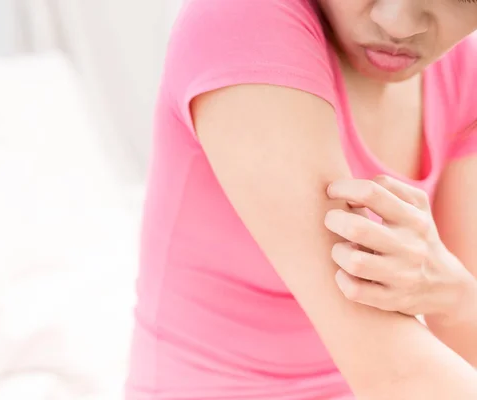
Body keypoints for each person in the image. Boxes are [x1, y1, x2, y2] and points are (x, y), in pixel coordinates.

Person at [126, 0, 477, 398]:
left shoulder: (461, 68)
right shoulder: (243, 19)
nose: (396, 24)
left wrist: (455, 295)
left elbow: (464, 343)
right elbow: (390, 371)